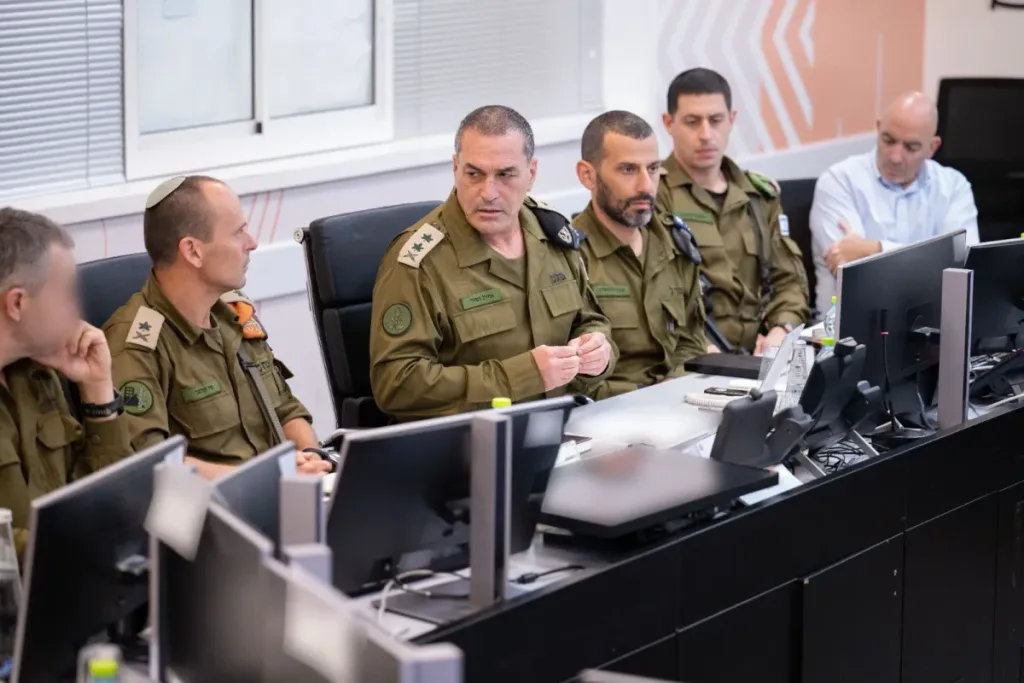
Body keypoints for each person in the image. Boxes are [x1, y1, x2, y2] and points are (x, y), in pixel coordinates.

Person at [370, 105, 616, 420]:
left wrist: (598, 350)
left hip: (567, 426)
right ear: (456, 168)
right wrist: (522, 375)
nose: (489, 193)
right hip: (473, 439)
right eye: (474, 174)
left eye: (505, 175)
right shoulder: (419, 262)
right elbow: (396, 384)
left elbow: (590, 319)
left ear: (531, 174)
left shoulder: (552, 232)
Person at [103, 176, 330, 479]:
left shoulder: (233, 314)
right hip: (215, 504)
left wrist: (311, 458)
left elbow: (285, 408)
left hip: (282, 490)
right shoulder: (136, 346)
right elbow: (151, 465)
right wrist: (267, 479)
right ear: (193, 251)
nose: (252, 243)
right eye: (238, 233)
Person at [0, 208, 131, 555]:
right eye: (65, 295)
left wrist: (98, 389)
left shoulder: (39, 371)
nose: (76, 310)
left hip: (82, 570)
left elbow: (106, 498)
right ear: (17, 303)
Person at [656, 68, 809, 355]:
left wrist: (780, 331)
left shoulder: (758, 196)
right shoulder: (654, 198)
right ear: (669, 123)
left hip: (760, 354)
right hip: (692, 357)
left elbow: (789, 281)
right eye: (692, 122)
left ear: (732, 119)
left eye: (715, 120)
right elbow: (654, 297)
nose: (706, 135)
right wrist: (700, 349)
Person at [572, 110, 707, 397]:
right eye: (628, 170)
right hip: (609, 412)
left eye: (653, 169)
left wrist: (675, 385)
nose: (646, 186)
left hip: (678, 401)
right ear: (588, 175)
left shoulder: (675, 242)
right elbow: (570, 379)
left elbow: (691, 341)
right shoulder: (568, 258)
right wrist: (647, 396)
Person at [810, 91, 980, 313]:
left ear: (932, 147)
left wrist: (874, 249)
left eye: (911, 147)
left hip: (931, 326)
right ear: (878, 128)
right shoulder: (839, 181)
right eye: (888, 140)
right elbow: (854, 274)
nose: (895, 157)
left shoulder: (954, 186)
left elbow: (963, 269)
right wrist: (933, 263)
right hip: (850, 326)